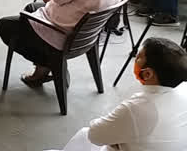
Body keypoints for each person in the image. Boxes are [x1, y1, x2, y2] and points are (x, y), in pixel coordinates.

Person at [48, 37, 187, 151]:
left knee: (84, 135)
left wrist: (117, 138)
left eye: (138, 57)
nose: (135, 61)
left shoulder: (140, 108)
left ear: (148, 73)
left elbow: (95, 135)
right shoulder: (183, 90)